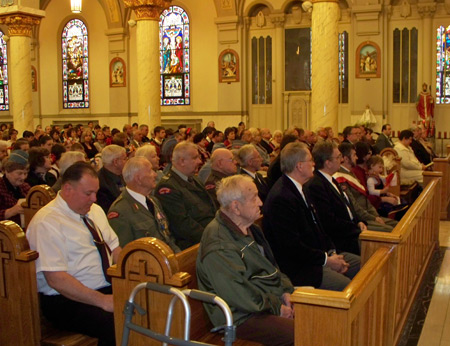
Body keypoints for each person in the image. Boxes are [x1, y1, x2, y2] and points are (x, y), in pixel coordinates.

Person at [26, 162, 121, 345]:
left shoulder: (95, 211)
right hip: (66, 299)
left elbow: (115, 249)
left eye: (96, 192)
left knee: (151, 303)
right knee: (118, 323)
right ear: (68, 188)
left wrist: (130, 279)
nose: (94, 199)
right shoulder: (47, 222)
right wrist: (102, 300)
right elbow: (56, 279)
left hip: (105, 285)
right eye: (88, 193)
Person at [197, 175, 295, 346]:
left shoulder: (250, 229)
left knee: (320, 315)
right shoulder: (219, 244)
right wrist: (277, 306)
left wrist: (286, 290)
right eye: (254, 198)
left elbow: (271, 267)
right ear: (236, 206)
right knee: (304, 331)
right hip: (238, 317)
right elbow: (239, 294)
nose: (261, 202)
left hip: (262, 304)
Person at [263, 142, 360, 291]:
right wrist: (327, 260)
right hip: (299, 268)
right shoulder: (281, 198)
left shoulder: (301, 187)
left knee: (364, 265)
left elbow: (318, 227)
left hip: (317, 256)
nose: (314, 163)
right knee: (349, 288)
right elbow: (292, 247)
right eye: (310, 160)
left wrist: (332, 253)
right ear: (299, 166)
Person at [305, 141, 366, 255]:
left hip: (352, 231)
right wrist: (356, 229)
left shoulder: (331, 179)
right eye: (338, 157)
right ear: (328, 163)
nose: (342, 160)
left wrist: (359, 221)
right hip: (342, 241)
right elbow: (329, 222)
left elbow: (348, 206)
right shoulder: (316, 185)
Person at [108, 157, 180, 252]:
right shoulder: (120, 211)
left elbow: (167, 236)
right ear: (138, 179)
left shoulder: (153, 201)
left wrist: (179, 256)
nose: (155, 175)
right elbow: (126, 253)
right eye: (150, 171)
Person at [155, 141, 216, 249]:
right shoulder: (167, 187)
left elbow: (210, 208)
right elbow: (182, 225)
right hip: (195, 244)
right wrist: (213, 237)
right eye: (195, 158)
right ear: (182, 161)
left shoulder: (194, 179)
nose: (199, 161)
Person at [334, 143, 397, 232]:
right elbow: (354, 205)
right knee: (391, 230)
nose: (356, 157)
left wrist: (376, 215)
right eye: (354, 155)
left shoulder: (351, 173)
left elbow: (365, 198)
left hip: (368, 214)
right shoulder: (341, 177)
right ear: (346, 159)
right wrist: (373, 218)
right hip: (361, 218)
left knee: (398, 225)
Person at [0, 151, 30, 225]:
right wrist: (10, 212)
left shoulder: (25, 187)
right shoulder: (1, 187)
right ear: (7, 171)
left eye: (25, 173)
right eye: (19, 173)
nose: (23, 177)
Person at [96, 145, 127, 212]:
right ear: (115, 162)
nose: (127, 161)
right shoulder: (100, 183)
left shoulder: (124, 174)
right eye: (124, 159)